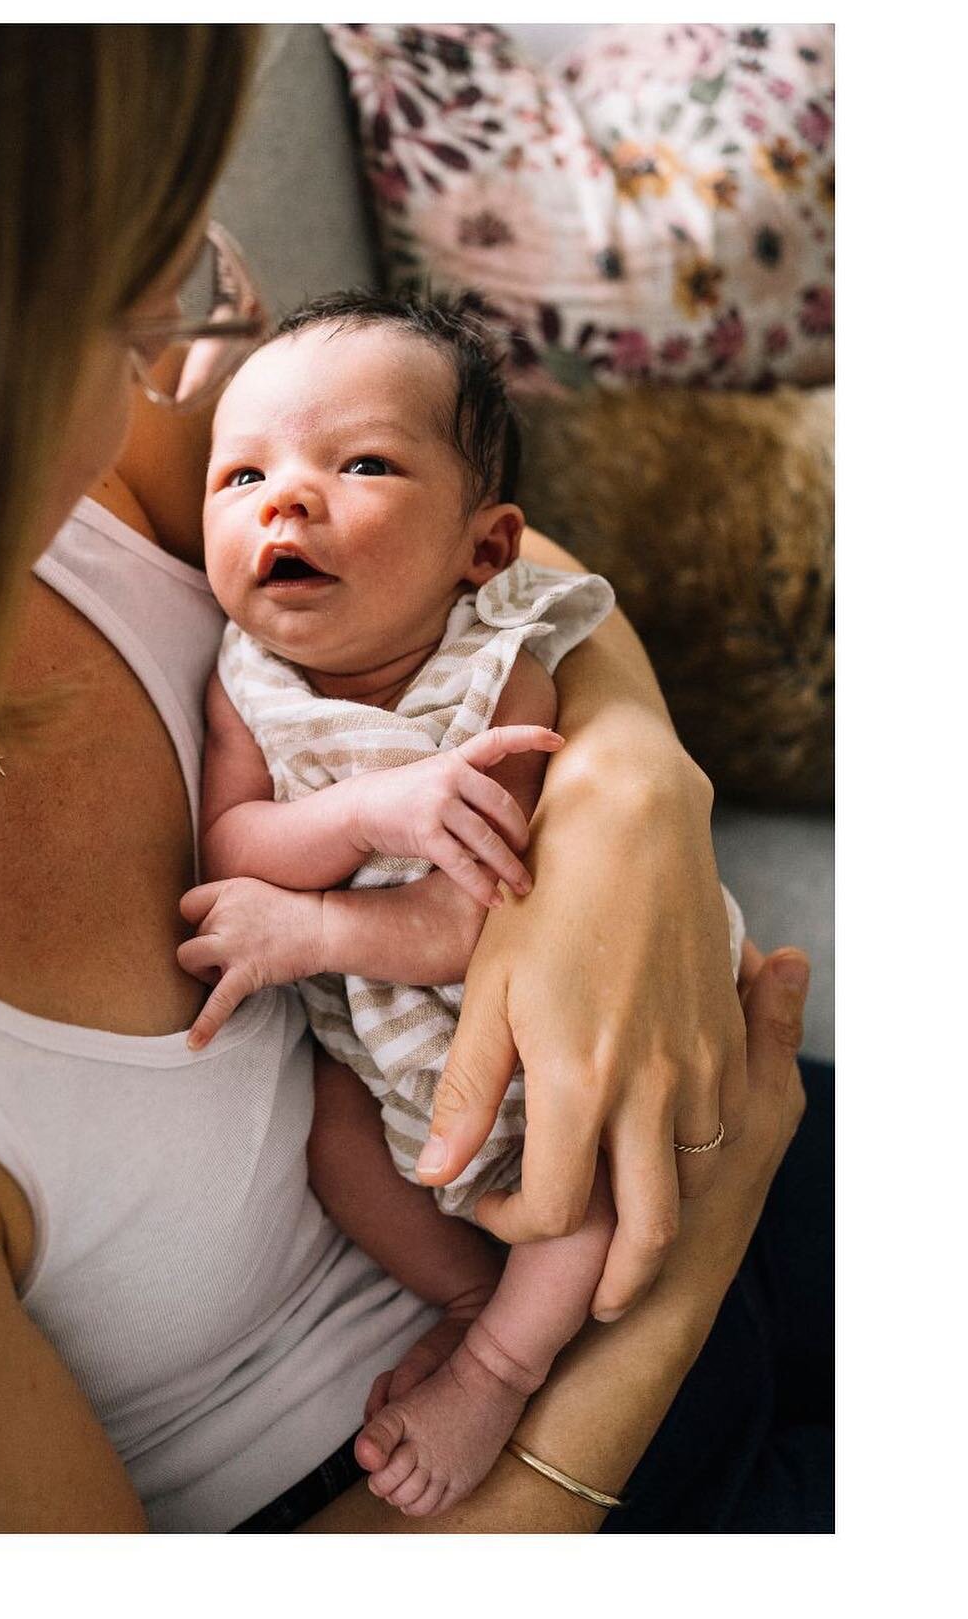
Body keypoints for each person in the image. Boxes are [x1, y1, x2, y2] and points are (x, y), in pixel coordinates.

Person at [0, 24, 832, 1532]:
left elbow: (466, 573)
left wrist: (635, 795)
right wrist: (672, 1271)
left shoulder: (111, 461)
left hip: (684, 1097)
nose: (185, 356)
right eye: (139, 296)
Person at [178, 290, 748, 1517]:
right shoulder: (249, 678)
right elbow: (233, 836)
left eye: (362, 463)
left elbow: (478, 931)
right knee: (332, 1139)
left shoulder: (495, 671)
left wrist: (317, 929)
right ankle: (465, 1301)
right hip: (381, 1047)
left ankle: (499, 1364)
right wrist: (363, 817)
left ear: (481, 549)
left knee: (594, 1185)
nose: (283, 498)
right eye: (240, 476)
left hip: (543, 1023)